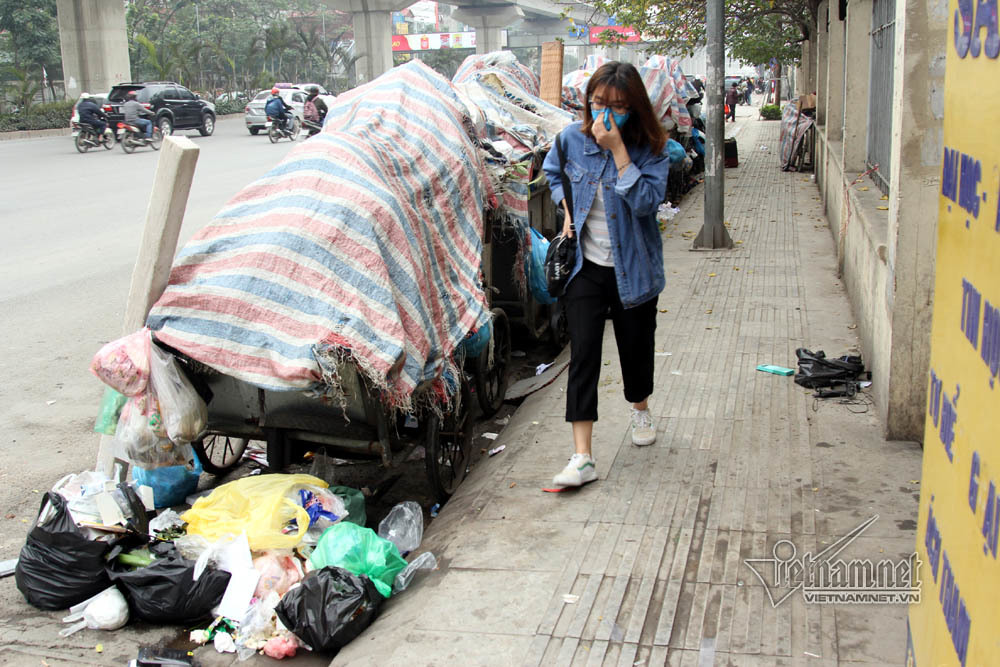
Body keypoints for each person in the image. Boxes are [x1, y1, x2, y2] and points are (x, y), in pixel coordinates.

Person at [541, 62, 669, 488]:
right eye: (599, 104)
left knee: (635, 349)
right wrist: (566, 212)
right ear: (588, 101)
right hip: (585, 269)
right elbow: (553, 172)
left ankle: (640, 407)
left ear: (635, 108)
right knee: (584, 357)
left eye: (618, 107)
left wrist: (618, 150)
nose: (606, 115)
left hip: (635, 270)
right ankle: (583, 457)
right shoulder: (570, 140)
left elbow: (649, 203)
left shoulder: (652, 148)